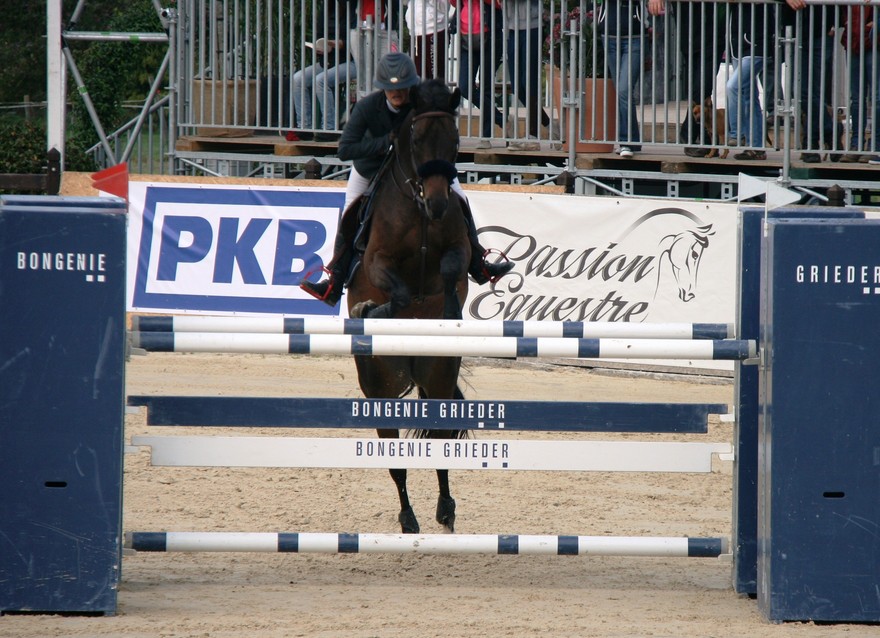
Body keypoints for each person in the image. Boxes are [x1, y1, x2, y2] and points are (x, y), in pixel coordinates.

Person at [299, 52, 514, 306]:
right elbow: (345, 150)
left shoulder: (419, 102)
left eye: (402, 87)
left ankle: (480, 264)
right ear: (383, 88)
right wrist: (384, 143)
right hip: (370, 167)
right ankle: (334, 281)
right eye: (391, 89)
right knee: (350, 212)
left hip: (416, 167)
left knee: (460, 198)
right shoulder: (367, 107)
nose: (397, 93)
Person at [647, 0, 724, 157]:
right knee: (696, 90)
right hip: (689, 35)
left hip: (712, 34)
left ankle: (688, 135)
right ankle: (708, 141)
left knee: (702, 87)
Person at [292, 0, 356, 139]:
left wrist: (340, 44)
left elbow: (356, 40)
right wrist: (320, 47)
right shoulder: (327, 8)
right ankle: (304, 127)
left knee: (321, 80)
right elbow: (319, 34)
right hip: (328, 61)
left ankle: (329, 128)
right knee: (297, 79)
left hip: (351, 61)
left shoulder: (354, 7)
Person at [452, 0, 505, 147]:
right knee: (464, 87)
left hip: (490, 35)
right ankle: (502, 120)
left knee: (485, 87)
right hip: (466, 36)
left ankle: (485, 137)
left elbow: (500, 4)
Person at [504, 0, 555, 151]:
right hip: (511, 25)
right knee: (517, 86)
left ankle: (533, 137)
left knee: (529, 81)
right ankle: (550, 125)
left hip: (533, 25)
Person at [599, 0, 647, 158]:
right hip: (609, 34)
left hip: (635, 35)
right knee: (622, 92)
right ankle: (632, 141)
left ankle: (625, 141)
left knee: (624, 89)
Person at [726, 2, 772, 160]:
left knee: (733, 86)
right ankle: (756, 147)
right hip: (737, 45)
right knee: (749, 97)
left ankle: (737, 134)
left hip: (756, 44)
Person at [405, 0, 452, 80]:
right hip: (414, 31)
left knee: (435, 76)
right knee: (417, 75)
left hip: (434, 29)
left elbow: (445, 7)